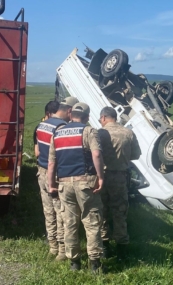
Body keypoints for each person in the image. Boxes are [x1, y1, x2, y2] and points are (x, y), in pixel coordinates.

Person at [47, 102, 106, 273]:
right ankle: (94, 263)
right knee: (91, 221)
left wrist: (52, 185)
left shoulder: (57, 133)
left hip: (64, 184)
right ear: (87, 117)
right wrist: (100, 177)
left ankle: (74, 262)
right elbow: (96, 154)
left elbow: (51, 163)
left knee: (70, 223)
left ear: (71, 115)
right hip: (85, 182)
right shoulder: (88, 131)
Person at [34, 97, 78, 261]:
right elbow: (64, 155)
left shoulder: (42, 124)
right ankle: (61, 250)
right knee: (61, 212)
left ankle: (52, 246)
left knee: (48, 212)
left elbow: (38, 151)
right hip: (56, 175)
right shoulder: (61, 128)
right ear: (69, 111)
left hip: (42, 172)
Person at [97, 107, 141, 259]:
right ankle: (122, 249)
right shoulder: (128, 133)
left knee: (102, 211)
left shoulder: (99, 133)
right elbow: (136, 154)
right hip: (121, 177)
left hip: (102, 177)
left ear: (103, 118)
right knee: (120, 211)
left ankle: (105, 247)